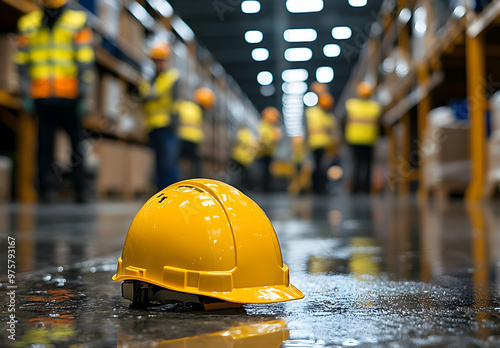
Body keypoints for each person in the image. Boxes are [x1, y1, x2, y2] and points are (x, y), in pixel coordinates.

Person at [16, 0, 95, 203]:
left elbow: (85, 59)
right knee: (44, 146)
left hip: (70, 95)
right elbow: (22, 62)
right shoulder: (29, 24)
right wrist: (26, 93)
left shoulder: (77, 21)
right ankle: (46, 190)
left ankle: (80, 189)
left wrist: (84, 93)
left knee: (77, 145)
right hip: (42, 96)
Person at [138, 43, 180, 190]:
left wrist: (174, 119)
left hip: (167, 125)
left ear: (167, 61)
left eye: (161, 60)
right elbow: (142, 95)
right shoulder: (149, 80)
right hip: (152, 125)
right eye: (156, 60)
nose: (158, 64)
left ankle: (172, 192)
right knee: (158, 162)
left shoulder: (172, 78)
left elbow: (175, 101)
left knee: (168, 162)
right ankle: (162, 193)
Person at [345, 82, 382, 193]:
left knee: (356, 163)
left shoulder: (351, 105)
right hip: (369, 140)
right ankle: (366, 188)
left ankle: (356, 187)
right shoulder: (375, 107)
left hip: (354, 139)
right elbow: (380, 124)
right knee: (367, 164)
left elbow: (344, 122)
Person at [177, 87, 215, 178]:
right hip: (192, 140)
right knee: (196, 163)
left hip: (180, 138)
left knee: (176, 161)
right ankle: (197, 180)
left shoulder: (184, 105)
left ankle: (176, 181)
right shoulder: (198, 111)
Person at [305, 93, 336, 194]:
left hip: (316, 144)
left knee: (318, 167)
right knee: (321, 167)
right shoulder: (327, 115)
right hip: (320, 145)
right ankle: (320, 188)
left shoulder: (311, 112)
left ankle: (317, 187)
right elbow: (332, 128)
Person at [257, 107, 282, 192]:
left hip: (268, 153)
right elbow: (264, 139)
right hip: (263, 153)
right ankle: (265, 189)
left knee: (267, 171)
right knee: (264, 171)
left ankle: (266, 188)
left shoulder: (269, 126)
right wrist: (274, 137)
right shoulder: (264, 126)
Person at [230, 126, 258, 191]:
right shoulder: (250, 135)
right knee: (245, 174)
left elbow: (236, 143)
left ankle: (239, 187)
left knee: (238, 174)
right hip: (246, 158)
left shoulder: (240, 134)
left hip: (238, 157)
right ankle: (247, 187)